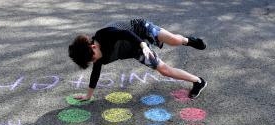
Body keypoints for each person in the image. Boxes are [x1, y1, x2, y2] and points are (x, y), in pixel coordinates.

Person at [68, 19, 207, 100]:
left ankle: (189, 41)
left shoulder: (103, 34)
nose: (94, 61)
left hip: (139, 29)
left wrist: (143, 44)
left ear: (93, 46)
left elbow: (125, 33)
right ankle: (199, 81)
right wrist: (88, 96)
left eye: (92, 58)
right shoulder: (96, 56)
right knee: (164, 70)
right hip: (135, 50)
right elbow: (95, 74)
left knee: (175, 40)